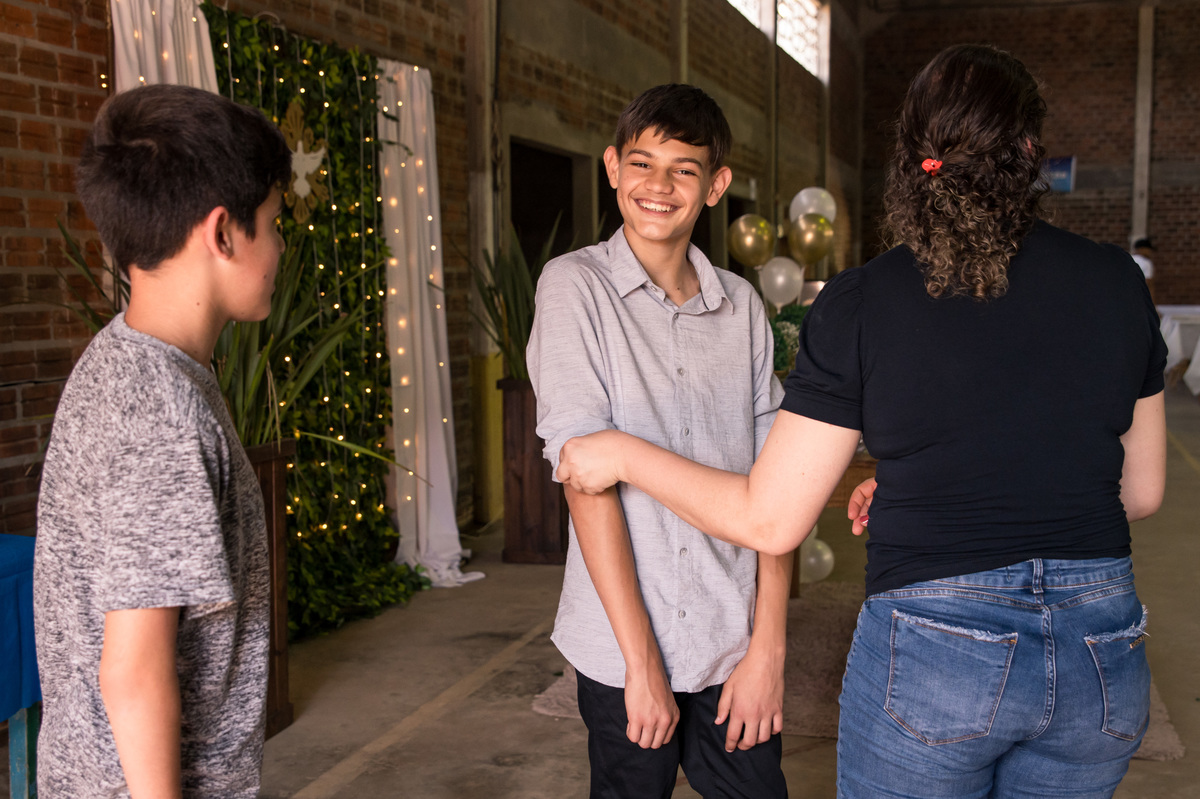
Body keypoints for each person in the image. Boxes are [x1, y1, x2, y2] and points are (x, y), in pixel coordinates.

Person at [557, 45, 1167, 799]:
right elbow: (1139, 490)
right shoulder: (1117, 281)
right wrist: (927, 485)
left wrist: (621, 453)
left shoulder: (865, 298)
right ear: (1030, 151)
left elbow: (771, 519)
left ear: (911, 155)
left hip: (943, 641)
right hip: (1101, 645)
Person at [528, 84, 792, 798]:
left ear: (716, 186)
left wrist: (767, 650)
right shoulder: (573, 287)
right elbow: (585, 479)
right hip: (620, 648)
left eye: (684, 169)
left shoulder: (742, 309)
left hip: (729, 643)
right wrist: (640, 664)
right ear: (613, 167)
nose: (658, 186)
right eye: (642, 163)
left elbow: (776, 492)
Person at [34, 84, 291, 798]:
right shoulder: (162, 414)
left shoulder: (125, 359)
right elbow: (134, 673)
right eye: (273, 223)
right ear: (222, 233)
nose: (278, 247)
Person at [1130, 237, 1156, 303]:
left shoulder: (1127, 259)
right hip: (1137, 300)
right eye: (1149, 249)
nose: (1150, 252)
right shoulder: (1146, 262)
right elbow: (1148, 285)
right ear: (1142, 249)